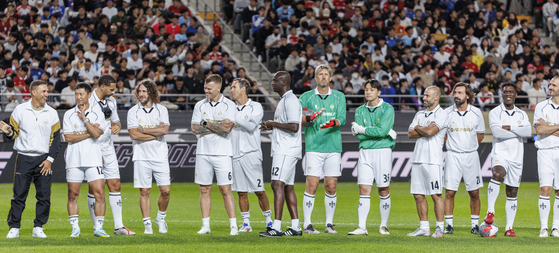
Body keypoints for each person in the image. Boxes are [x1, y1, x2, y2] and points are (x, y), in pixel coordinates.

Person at [1, 80, 61, 239]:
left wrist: (50, 160)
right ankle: (14, 227)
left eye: (47, 91)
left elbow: (56, 140)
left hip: (44, 160)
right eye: (43, 91)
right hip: (24, 158)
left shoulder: (52, 113)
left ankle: (38, 227)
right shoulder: (20, 110)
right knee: (19, 195)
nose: (46, 94)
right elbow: (12, 134)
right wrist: (7, 131)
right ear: (33, 92)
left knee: (44, 196)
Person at [298, 65, 347, 234]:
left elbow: (342, 117)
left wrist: (335, 122)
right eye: (320, 74)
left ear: (330, 77)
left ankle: (329, 224)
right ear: (316, 78)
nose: (324, 77)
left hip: (333, 147)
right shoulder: (306, 97)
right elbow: (298, 117)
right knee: (311, 185)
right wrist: (309, 118)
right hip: (314, 146)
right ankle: (307, 224)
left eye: (326, 74)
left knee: (331, 186)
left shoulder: (339, 97)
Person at [87, 74, 136, 235]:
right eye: (111, 89)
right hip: (92, 147)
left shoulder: (111, 101)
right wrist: (94, 152)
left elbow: (115, 121)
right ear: (102, 87)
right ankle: (97, 227)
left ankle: (119, 227)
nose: (114, 92)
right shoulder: (87, 100)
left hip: (108, 148)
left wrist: (116, 126)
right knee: (95, 188)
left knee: (115, 184)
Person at [190, 74, 238, 235]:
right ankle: (205, 225)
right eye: (205, 88)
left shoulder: (229, 105)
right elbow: (194, 129)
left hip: (223, 153)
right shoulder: (200, 105)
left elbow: (226, 129)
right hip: (203, 152)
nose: (206, 91)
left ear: (218, 88)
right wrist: (216, 124)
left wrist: (205, 123)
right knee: (204, 189)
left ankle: (233, 226)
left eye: (209, 89)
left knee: (225, 189)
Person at [348, 79, 396, 236]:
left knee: (383, 189)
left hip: (383, 152)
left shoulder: (387, 109)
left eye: (372, 89)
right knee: (364, 188)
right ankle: (362, 227)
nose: (368, 92)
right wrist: (369, 132)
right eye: (366, 89)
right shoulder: (359, 111)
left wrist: (362, 129)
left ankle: (383, 225)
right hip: (365, 151)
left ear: (379, 92)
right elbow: (361, 137)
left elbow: (382, 131)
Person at [484, 82, 532, 237]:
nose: (508, 94)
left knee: (512, 191)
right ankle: (490, 212)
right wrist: (518, 131)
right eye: (505, 92)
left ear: (516, 94)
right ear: (502, 94)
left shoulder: (522, 114)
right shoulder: (495, 112)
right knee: (497, 174)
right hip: (500, 153)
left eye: (511, 92)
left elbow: (528, 132)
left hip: (517, 157)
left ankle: (508, 229)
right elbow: (498, 134)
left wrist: (509, 128)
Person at [63, 82, 110, 238]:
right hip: (74, 159)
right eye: (76, 94)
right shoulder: (68, 114)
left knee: (99, 194)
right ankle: (75, 228)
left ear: (89, 95)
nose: (78, 97)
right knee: (72, 194)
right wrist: (88, 132)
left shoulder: (98, 113)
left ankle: (98, 227)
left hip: (93, 159)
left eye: (81, 94)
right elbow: (68, 137)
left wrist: (84, 119)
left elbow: (97, 134)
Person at [259, 71, 302, 237]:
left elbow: (294, 126)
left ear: (283, 82)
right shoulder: (285, 100)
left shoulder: (290, 100)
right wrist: (272, 126)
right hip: (287, 148)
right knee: (287, 187)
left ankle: (276, 227)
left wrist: (272, 123)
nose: (272, 83)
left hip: (286, 149)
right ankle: (296, 226)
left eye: (274, 80)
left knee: (277, 185)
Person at [229, 78, 273, 233]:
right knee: (241, 191)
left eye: (234, 87)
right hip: (234, 154)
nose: (231, 90)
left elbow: (250, 126)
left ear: (243, 89)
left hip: (251, 154)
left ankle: (269, 221)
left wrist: (233, 118)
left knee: (259, 190)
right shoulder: (230, 107)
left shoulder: (256, 107)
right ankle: (246, 223)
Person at [127, 80, 171, 235]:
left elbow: (164, 130)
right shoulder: (133, 111)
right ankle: (147, 225)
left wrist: (144, 130)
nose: (141, 94)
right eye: (139, 91)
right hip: (141, 156)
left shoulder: (162, 110)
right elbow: (133, 134)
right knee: (144, 191)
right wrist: (155, 133)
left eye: (144, 91)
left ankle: (160, 218)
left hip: (160, 156)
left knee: (165, 191)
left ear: (151, 92)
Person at [442, 83, 485, 235]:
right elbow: (443, 135)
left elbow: (480, 134)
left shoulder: (476, 113)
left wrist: (468, 146)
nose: (456, 95)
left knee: (474, 193)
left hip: (471, 156)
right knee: (449, 192)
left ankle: (474, 225)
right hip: (453, 155)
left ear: (467, 95)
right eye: (455, 92)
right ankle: (448, 225)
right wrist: (454, 146)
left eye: (459, 92)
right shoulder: (446, 113)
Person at [407, 86, 448, 238]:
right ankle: (424, 227)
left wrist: (418, 127)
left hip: (433, 160)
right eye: (424, 95)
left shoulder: (442, 114)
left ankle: (439, 228)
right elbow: (410, 134)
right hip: (418, 159)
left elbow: (431, 132)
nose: (424, 98)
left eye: (427, 95)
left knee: (436, 195)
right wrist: (423, 128)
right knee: (418, 194)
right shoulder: (419, 114)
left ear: (436, 97)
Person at [534, 77, 559, 237]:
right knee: (545, 189)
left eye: (554, 85)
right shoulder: (541, 106)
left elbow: (544, 128)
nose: (550, 87)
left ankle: (556, 227)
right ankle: (544, 227)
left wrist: (547, 126)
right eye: (550, 84)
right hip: (545, 151)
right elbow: (539, 131)